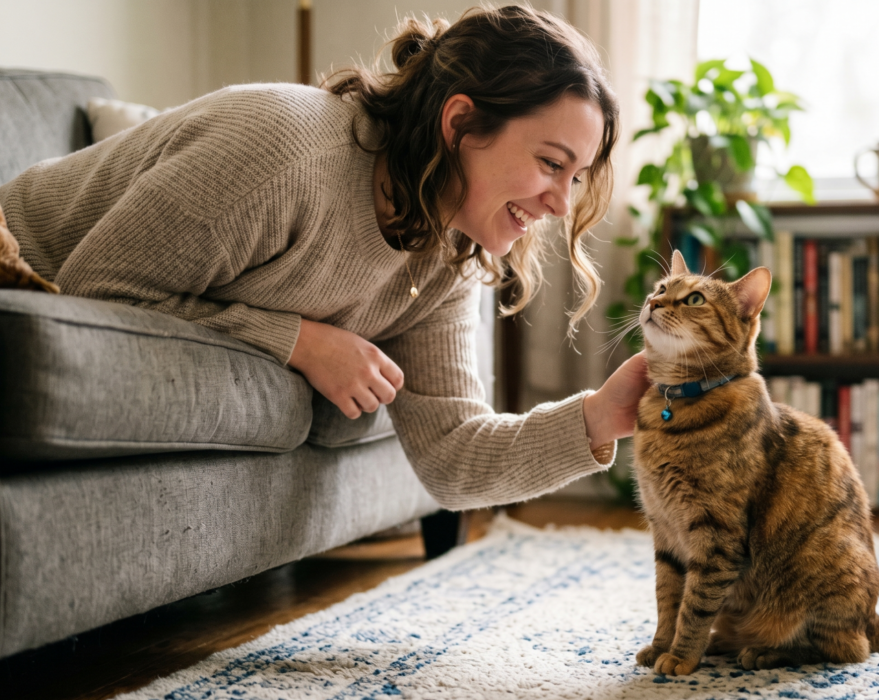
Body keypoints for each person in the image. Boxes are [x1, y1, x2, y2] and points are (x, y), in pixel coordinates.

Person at [0, 5, 649, 509]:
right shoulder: (283, 150)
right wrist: (301, 341)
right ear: (460, 125)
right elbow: (91, 296)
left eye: (578, 177)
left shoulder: (447, 252)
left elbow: (453, 454)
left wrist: (599, 415)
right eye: (550, 164)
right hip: (20, 270)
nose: (563, 204)